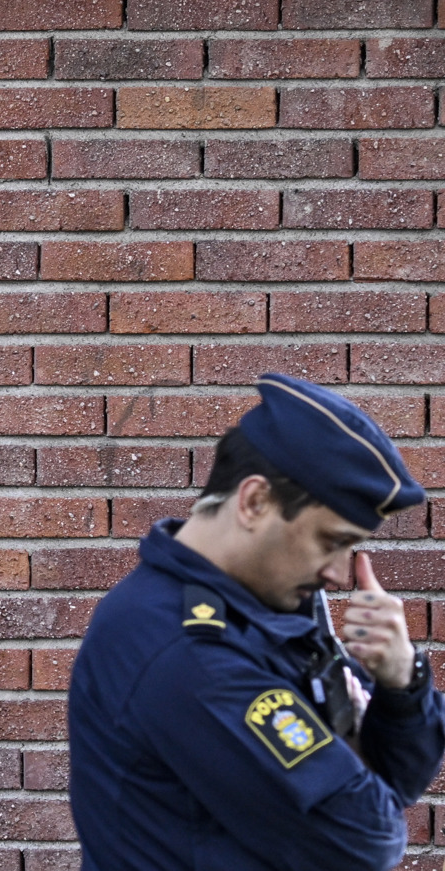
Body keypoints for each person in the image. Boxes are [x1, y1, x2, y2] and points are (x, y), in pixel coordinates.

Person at [68, 373, 445, 871]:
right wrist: (355, 758)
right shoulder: (185, 649)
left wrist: (402, 684)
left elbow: (397, 781)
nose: (339, 574)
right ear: (254, 502)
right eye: (332, 542)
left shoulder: (266, 607)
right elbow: (368, 838)